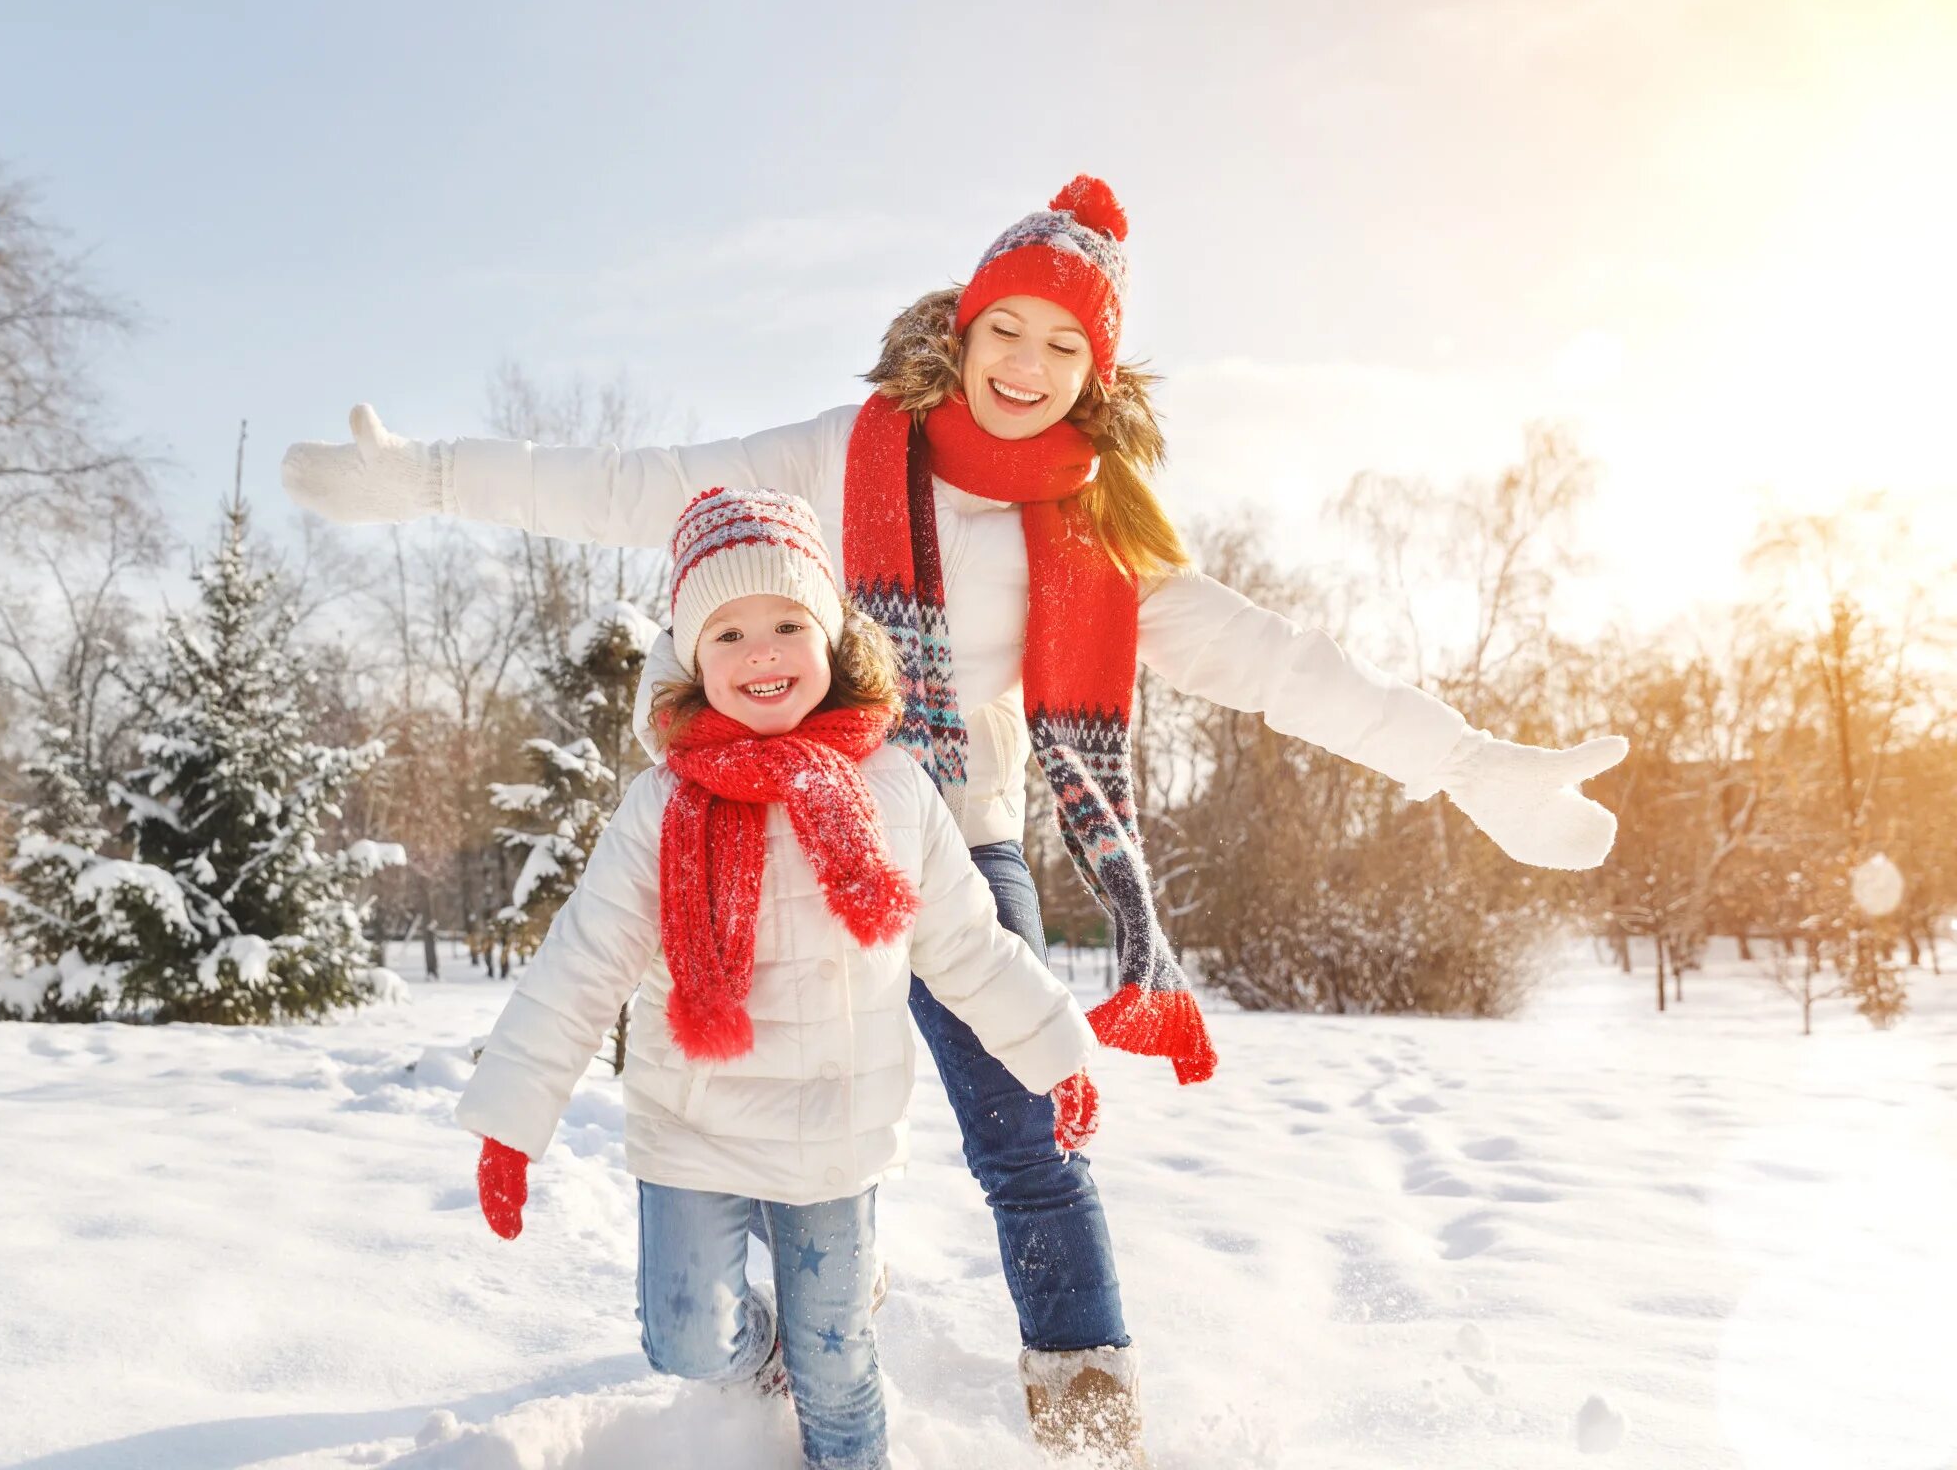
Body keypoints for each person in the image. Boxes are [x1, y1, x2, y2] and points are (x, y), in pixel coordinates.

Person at [291, 176, 1626, 1463]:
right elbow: (645, 485)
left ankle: (1093, 1421)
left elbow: (1285, 667)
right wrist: (428, 480)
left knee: (1023, 1136)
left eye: (1064, 344)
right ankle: (777, 1337)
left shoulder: (1102, 541)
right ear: (963, 325)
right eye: (1009, 328)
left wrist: (1466, 766)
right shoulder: (840, 452)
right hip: (766, 819)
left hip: (956, 841)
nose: (1029, 364)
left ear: (1095, 373)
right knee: (749, 1085)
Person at [454, 486, 1102, 1470]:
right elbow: (585, 957)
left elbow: (966, 945)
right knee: (683, 1337)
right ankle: (765, 1353)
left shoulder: (892, 787)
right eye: (728, 631)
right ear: (689, 657)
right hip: (693, 1122)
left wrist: (1054, 1053)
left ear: (834, 637)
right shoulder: (661, 802)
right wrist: (512, 1114)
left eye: (788, 622)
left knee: (840, 1370)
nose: (761, 651)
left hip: (835, 1137)